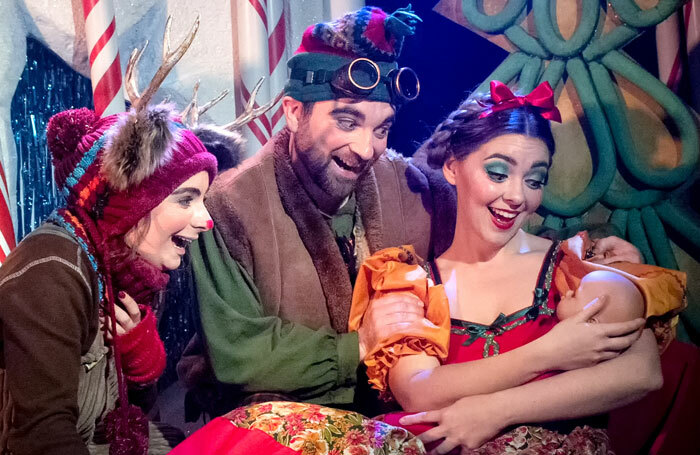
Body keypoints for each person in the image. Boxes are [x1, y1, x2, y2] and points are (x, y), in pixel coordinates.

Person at [178, 5, 643, 418]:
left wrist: (589, 247)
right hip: (277, 419)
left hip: (388, 417)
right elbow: (239, 355)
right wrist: (359, 344)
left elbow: (492, 219)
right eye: (347, 121)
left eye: (382, 129)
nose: (365, 148)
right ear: (294, 112)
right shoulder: (230, 206)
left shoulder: (407, 183)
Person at [351, 81, 684, 453]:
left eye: (534, 179)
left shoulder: (573, 269)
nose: (517, 196)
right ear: (451, 167)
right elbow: (418, 391)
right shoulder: (409, 281)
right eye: (497, 172)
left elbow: (642, 373)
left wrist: (496, 410)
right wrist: (548, 352)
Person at [0, 101, 217, 453]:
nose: (205, 220)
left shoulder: (126, 270)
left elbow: (131, 427)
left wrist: (140, 367)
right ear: (129, 201)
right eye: (185, 200)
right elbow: (42, 439)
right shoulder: (51, 274)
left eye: (203, 199)